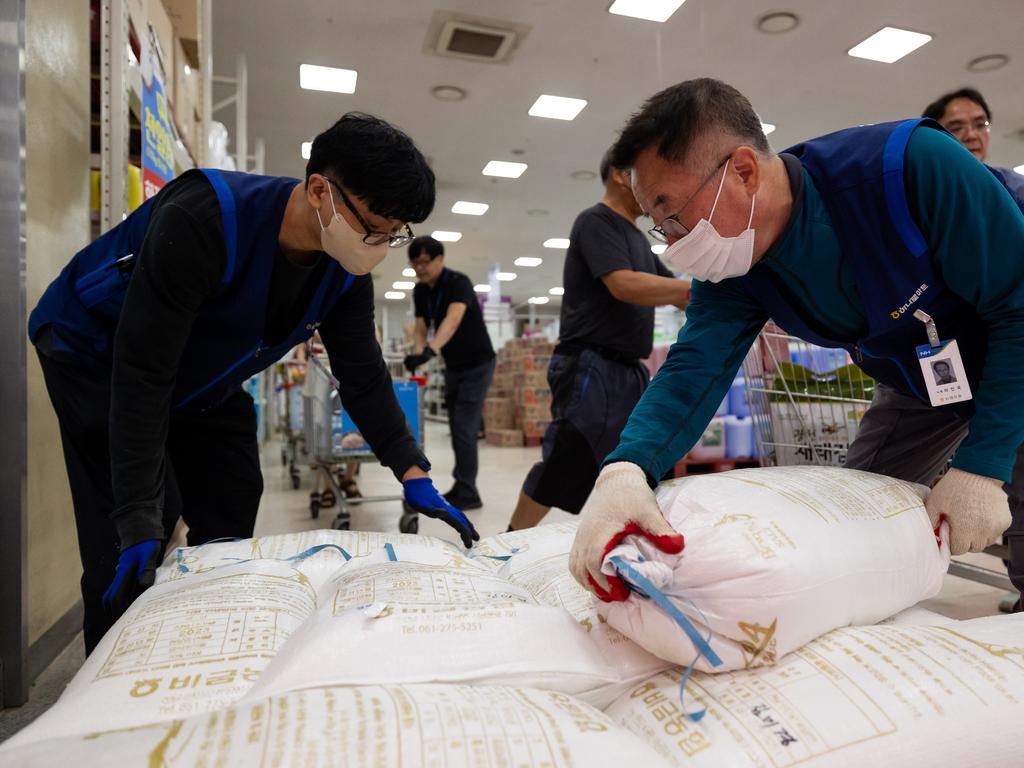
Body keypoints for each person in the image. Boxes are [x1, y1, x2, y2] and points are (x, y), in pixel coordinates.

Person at [29, 112, 478, 654]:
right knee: (131, 535)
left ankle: (209, 636)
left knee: (234, 484)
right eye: (374, 229)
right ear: (320, 191)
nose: (381, 246)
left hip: (199, 373)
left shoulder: (343, 270)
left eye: (394, 234)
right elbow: (143, 374)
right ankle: (111, 683)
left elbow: (362, 375)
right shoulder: (206, 219)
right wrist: (137, 516)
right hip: (95, 356)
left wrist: (412, 471)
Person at [568, 78, 1024, 607]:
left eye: (673, 215)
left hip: (1013, 351)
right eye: (658, 226)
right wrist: (626, 468)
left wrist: (983, 464)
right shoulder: (738, 265)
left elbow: (1017, 306)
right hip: (917, 378)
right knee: (856, 519)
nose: (672, 243)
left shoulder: (908, 169)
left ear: (741, 171)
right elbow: (694, 368)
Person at [506, 150, 691, 532]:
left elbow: (670, 288)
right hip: (591, 365)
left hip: (628, 370)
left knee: (647, 455)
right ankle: (506, 546)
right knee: (568, 458)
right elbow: (623, 284)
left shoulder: (636, 237)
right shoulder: (596, 221)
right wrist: (688, 291)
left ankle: (643, 539)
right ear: (623, 176)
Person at [404, 236, 495, 510]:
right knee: (456, 427)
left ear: (440, 260)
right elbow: (421, 326)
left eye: (425, 262)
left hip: (478, 364)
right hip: (454, 366)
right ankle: (462, 485)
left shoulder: (459, 282)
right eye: (415, 263)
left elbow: (452, 321)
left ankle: (469, 491)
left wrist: (430, 351)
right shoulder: (420, 291)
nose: (420, 268)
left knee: (465, 428)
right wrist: (419, 354)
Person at [922, 87, 1024, 198]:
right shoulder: (923, 192)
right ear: (934, 137)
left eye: (980, 125)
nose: (971, 135)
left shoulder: (1015, 187)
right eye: (957, 128)